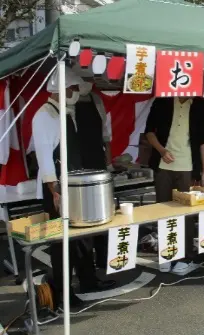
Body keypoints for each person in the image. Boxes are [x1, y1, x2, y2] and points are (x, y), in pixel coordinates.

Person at [32, 67, 115, 307]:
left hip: (75, 187)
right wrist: (54, 190)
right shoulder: (45, 116)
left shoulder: (65, 112)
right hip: (57, 190)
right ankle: (62, 294)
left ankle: (88, 280)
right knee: (61, 246)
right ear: (61, 89)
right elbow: (45, 158)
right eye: (74, 88)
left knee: (82, 239)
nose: (77, 92)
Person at [145, 97, 204, 274]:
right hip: (163, 166)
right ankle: (167, 256)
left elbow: (203, 139)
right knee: (164, 211)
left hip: (187, 167)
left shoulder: (198, 104)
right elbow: (149, 132)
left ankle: (185, 258)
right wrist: (162, 150)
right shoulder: (162, 101)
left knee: (186, 214)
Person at [75, 81, 113, 269]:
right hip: (78, 163)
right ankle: (86, 264)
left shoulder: (96, 99)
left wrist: (108, 160)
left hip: (97, 159)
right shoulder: (70, 101)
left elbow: (105, 132)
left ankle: (104, 258)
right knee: (84, 215)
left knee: (102, 210)